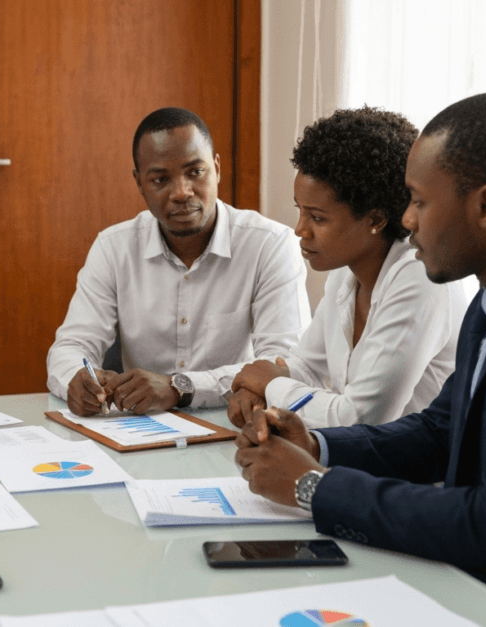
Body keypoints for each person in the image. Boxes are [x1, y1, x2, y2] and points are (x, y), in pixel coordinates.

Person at [234, 92, 486, 625]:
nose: (406, 219)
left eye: (419, 201)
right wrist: (317, 443)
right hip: (476, 587)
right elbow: (439, 431)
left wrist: (315, 486)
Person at [47, 107, 311, 417]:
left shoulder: (270, 245)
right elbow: (71, 346)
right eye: (160, 179)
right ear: (139, 183)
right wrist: (76, 382)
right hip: (139, 427)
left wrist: (180, 387)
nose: (182, 192)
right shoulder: (113, 247)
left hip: (233, 423)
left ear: (216, 168)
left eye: (195, 172)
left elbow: (283, 362)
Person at [228, 107, 465, 430]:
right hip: (361, 462)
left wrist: (270, 386)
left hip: (415, 475)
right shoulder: (347, 271)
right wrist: (254, 389)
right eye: (301, 211)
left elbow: (362, 417)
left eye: (318, 217)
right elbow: (305, 366)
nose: (300, 229)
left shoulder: (419, 276)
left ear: (375, 219)